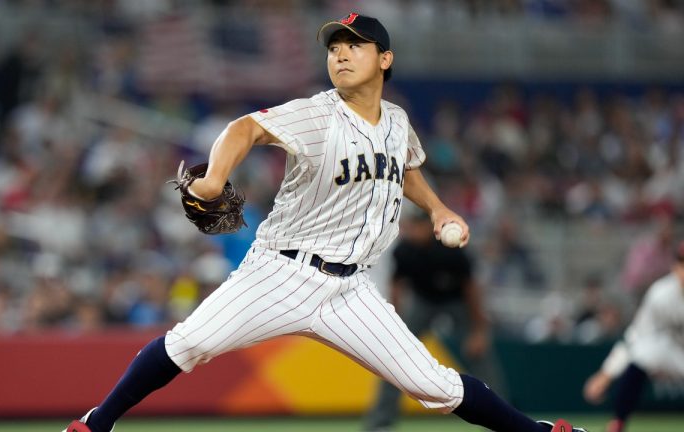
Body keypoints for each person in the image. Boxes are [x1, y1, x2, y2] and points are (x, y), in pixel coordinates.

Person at [64, 13, 586, 432]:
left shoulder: (398, 120)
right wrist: (214, 176)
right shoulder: (317, 115)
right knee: (190, 343)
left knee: (436, 385)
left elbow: (403, 167)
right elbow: (244, 128)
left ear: (385, 59)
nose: (339, 52)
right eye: (334, 46)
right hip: (282, 273)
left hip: (351, 289)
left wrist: (438, 208)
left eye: (354, 45)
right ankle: (95, 423)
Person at [363, 210, 504, 431]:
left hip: (458, 301)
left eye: (417, 226)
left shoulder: (451, 252)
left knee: (481, 355)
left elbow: (472, 290)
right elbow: (396, 287)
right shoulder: (405, 250)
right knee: (393, 354)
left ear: (429, 227)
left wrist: (479, 330)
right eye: (411, 226)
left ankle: (501, 419)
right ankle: (380, 423)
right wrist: (393, 322)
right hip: (423, 302)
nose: (412, 231)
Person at [583, 239, 684, 432]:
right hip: (673, 351)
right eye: (682, 263)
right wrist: (606, 374)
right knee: (644, 353)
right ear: (674, 266)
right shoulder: (661, 295)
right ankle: (618, 423)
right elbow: (636, 337)